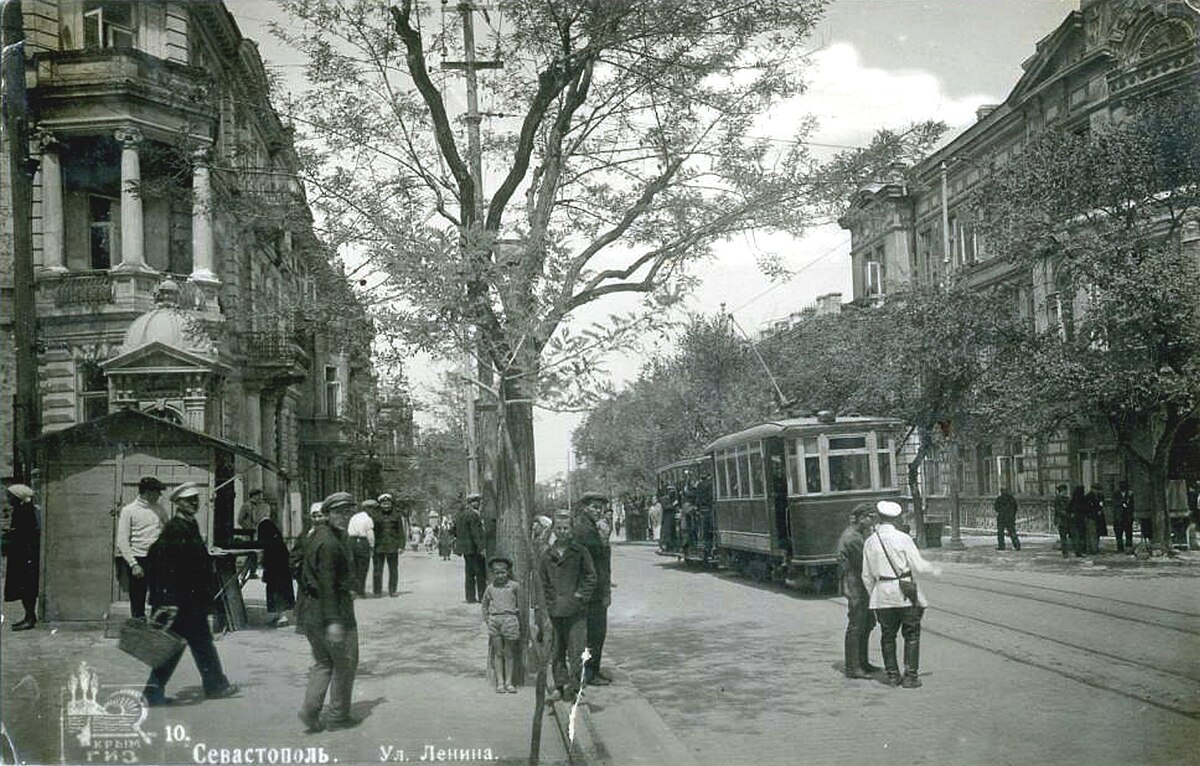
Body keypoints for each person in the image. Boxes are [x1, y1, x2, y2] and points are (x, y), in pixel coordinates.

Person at [143, 482, 238, 705]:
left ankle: (155, 693)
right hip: (181, 602)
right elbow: (167, 567)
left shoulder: (190, 524)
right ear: (177, 503)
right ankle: (214, 686)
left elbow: (193, 559)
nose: (194, 503)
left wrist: (208, 557)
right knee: (185, 646)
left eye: (196, 499)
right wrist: (169, 601)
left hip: (190, 600)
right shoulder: (175, 528)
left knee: (194, 644)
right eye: (188, 500)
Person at [297, 492, 359, 733]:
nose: (344, 517)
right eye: (338, 512)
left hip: (312, 612)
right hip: (333, 614)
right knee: (345, 663)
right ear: (328, 513)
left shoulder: (317, 535)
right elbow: (327, 584)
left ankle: (310, 711)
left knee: (323, 662)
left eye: (347, 512)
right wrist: (333, 621)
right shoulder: (331, 544)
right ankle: (338, 716)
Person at [862, 500, 940, 689]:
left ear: (879, 518)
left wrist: (875, 594)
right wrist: (935, 569)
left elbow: (866, 575)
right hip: (905, 593)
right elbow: (919, 566)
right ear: (896, 519)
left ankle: (892, 676)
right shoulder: (903, 538)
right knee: (911, 635)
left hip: (882, 595)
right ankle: (911, 677)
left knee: (887, 636)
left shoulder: (870, 542)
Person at [539, 511, 596, 702]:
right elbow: (542, 582)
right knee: (557, 651)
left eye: (566, 528)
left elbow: (590, 576)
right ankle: (560, 686)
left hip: (575, 610)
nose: (562, 532)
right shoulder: (547, 554)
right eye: (559, 528)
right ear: (553, 530)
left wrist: (581, 595)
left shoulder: (580, 552)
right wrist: (547, 603)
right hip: (555, 610)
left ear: (571, 530)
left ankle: (577, 688)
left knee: (577, 650)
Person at [575, 491, 613, 686]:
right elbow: (597, 561)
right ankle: (589, 673)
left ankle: (592, 670)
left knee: (595, 632)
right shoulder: (587, 531)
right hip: (592, 591)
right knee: (595, 633)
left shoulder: (589, 527)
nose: (599, 511)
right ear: (585, 507)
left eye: (601, 508)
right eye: (595, 507)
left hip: (593, 588)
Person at [837, 502, 879, 679]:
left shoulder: (856, 534)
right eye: (871, 517)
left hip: (858, 582)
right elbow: (866, 560)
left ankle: (862, 662)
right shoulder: (853, 538)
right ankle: (853, 667)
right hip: (855, 584)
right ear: (862, 518)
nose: (873, 520)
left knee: (866, 623)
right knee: (857, 624)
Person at [115, 477, 167, 620]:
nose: (159, 495)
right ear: (147, 492)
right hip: (138, 560)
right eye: (157, 492)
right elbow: (122, 540)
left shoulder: (159, 509)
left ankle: (158, 633)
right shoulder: (129, 511)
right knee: (138, 600)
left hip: (157, 560)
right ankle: (140, 633)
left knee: (159, 597)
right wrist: (133, 564)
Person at [4, 484, 41, 631]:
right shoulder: (22, 510)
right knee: (24, 587)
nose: (8, 499)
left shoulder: (24, 511)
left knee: (26, 588)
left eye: (10, 496)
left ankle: (30, 617)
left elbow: (26, 534)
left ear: (17, 497)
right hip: (22, 554)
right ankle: (29, 616)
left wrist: (11, 534)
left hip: (25, 556)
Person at [481, 557, 521, 694]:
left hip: (510, 619)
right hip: (495, 620)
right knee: (498, 653)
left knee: (509, 653)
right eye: (496, 573)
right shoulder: (490, 588)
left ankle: (509, 682)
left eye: (503, 572)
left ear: (508, 572)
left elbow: (520, 605)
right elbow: (484, 605)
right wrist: (488, 619)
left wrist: (517, 618)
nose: (500, 575)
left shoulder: (514, 586)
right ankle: (500, 682)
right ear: (492, 573)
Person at [258, 513, 295, 627]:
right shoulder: (270, 525)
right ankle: (279, 615)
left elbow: (263, 544)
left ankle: (282, 616)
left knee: (277, 589)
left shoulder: (263, 525)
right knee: (278, 588)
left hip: (275, 562)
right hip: (279, 561)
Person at [455, 493, 488, 603]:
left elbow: (454, 530)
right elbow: (476, 533)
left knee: (469, 573)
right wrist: (482, 548)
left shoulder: (461, 515)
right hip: (474, 549)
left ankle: (470, 597)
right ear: (470, 503)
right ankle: (482, 596)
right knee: (480, 573)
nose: (477, 503)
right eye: (475, 501)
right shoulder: (474, 515)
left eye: (477, 501)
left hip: (465, 549)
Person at [371, 494, 404, 597]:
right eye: (384, 504)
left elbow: (401, 532)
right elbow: (371, 531)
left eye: (388, 503)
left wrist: (401, 546)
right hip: (378, 546)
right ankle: (377, 591)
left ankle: (393, 590)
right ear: (380, 504)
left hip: (392, 547)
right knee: (377, 570)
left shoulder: (397, 515)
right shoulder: (375, 515)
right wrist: (371, 546)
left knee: (393, 570)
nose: (386, 506)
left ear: (391, 503)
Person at [237, 489, 271, 579]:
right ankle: (244, 573)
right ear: (253, 496)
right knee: (251, 553)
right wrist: (248, 527)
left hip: (256, 533)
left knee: (254, 553)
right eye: (258, 496)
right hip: (248, 534)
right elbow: (240, 520)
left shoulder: (259, 506)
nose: (260, 498)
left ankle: (252, 572)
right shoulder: (246, 506)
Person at [346, 500, 376, 596]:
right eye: (371, 508)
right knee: (363, 567)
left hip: (351, 541)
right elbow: (370, 535)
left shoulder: (354, 517)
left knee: (352, 567)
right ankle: (360, 591)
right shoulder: (368, 519)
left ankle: (353, 590)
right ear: (367, 509)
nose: (373, 511)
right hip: (362, 542)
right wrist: (372, 546)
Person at [1067, 486, 1089, 557]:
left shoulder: (1073, 500)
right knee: (1080, 536)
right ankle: (1080, 550)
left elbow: (1069, 509)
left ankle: (1077, 550)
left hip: (1074, 520)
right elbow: (1086, 509)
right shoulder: (1083, 499)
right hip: (1080, 520)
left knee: (1076, 536)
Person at [1113, 481, 1134, 554]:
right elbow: (1115, 503)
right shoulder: (1116, 494)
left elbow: (1132, 505)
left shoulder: (1130, 494)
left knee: (1128, 533)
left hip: (1127, 517)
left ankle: (1129, 547)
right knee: (1119, 533)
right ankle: (1120, 548)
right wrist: (1122, 503)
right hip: (1119, 517)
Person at [1052, 484, 1072, 559]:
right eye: (1064, 490)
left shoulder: (1067, 499)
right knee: (1063, 537)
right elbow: (1058, 510)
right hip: (1062, 520)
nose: (1066, 492)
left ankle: (1069, 551)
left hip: (1067, 520)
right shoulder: (1058, 499)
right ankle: (1065, 552)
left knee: (1069, 536)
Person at [1085, 488, 1106, 554]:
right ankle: (1092, 549)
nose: (1097, 491)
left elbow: (1101, 504)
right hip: (1091, 517)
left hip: (1098, 518)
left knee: (1097, 533)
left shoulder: (1100, 496)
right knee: (1091, 533)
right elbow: (1089, 507)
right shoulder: (1088, 497)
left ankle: (1094, 548)